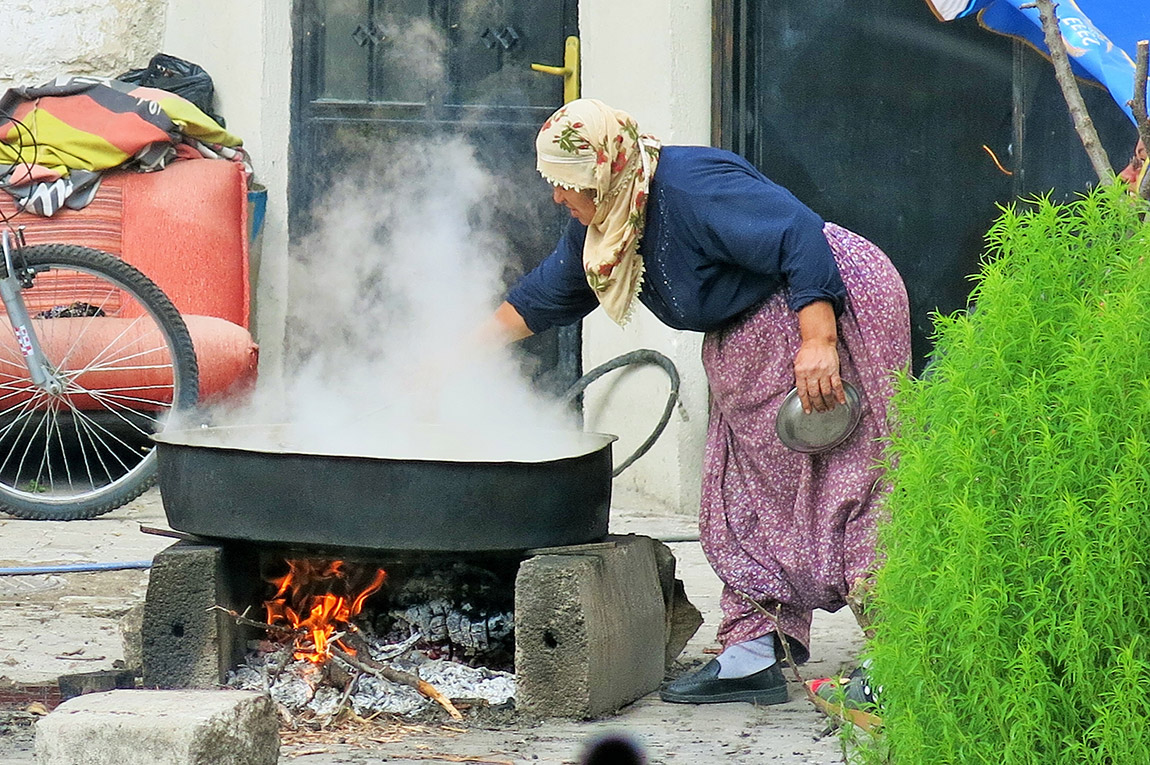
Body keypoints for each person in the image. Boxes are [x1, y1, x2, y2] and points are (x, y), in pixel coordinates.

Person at [489, 98, 911, 705]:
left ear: (601, 171)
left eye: (564, 182)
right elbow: (540, 299)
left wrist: (820, 340)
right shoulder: (611, 220)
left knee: (856, 477)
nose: (557, 196)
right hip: (753, 331)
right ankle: (754, 652)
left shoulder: (690, 188)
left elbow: (798, 235)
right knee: (743, 486)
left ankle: (902, 656)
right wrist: (439, 363)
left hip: (827, 301)